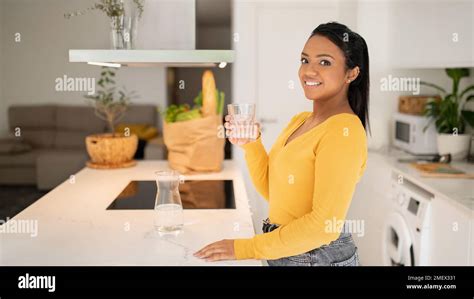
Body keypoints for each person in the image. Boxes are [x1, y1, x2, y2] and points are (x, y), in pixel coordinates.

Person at [194, 22, 369, 266]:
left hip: (317, 256)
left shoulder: (344, 131)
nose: (309, 71)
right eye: (305, 60)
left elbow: (323, 227)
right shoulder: (301, 120)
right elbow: (275, 192)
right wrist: (252, 144)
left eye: (325, 62)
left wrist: (245, 248)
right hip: (288, 248)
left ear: (352, 73)